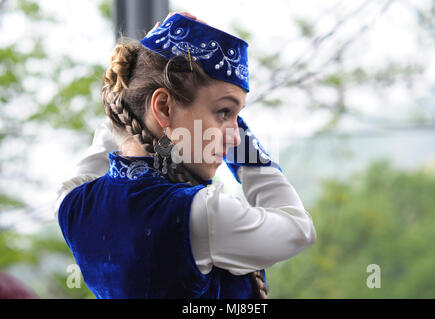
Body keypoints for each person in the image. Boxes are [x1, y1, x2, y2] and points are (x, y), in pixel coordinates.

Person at [55, 11, 317, 299]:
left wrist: (142, 68)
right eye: (224, 112)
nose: (233, 137)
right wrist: (245, 148)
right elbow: (298, 228)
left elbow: (132, 133)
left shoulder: (72, 203)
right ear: (165, 107)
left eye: (237, 117)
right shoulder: (202, 215)